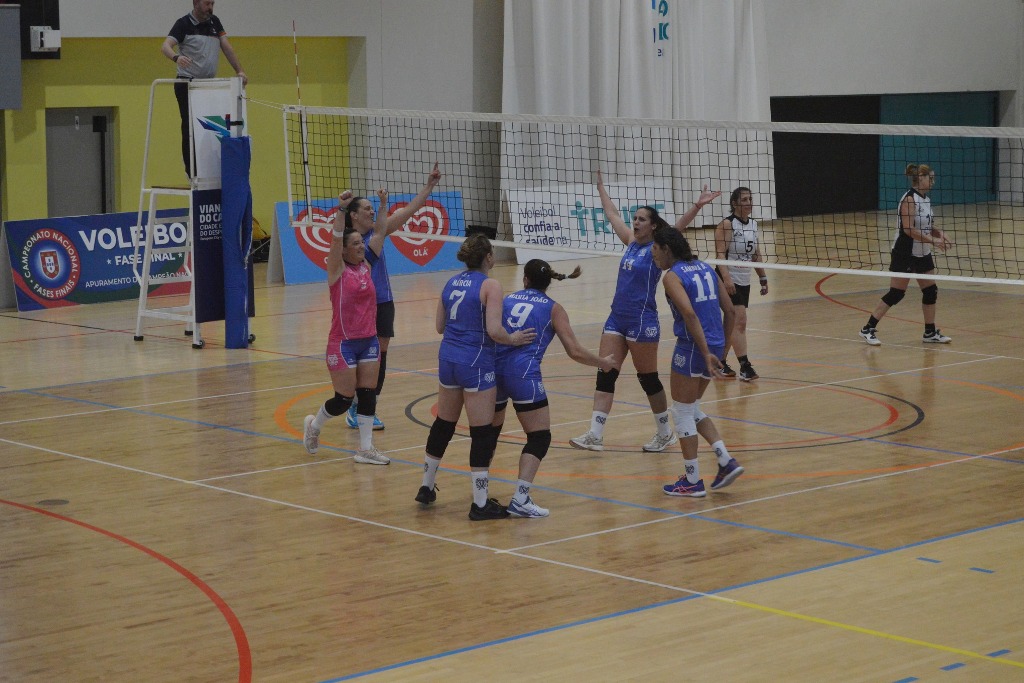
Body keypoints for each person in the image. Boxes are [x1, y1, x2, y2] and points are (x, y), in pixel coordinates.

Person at [570, 170, 720, 453]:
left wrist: (697, 206)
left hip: (642, 320)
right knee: (606, 372)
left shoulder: (657, 250)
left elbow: (677, 229)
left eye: (641, 219)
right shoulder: (629, 241)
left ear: (652, 227)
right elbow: (612, 213)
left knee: (647, 378)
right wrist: (601, 187)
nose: (635, 222)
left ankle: (665, 433)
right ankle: (595, 433)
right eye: (635, 218)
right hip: (617, 316)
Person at [416, 234, 536, 520]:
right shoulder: (491, 285)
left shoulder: (450, 282)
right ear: (488, 257)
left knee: (444, 423)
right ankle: (480, 504)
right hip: (475, 362)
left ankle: (426, 485)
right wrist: (514, 338)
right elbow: (495, 331)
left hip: (448, 359)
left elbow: (439, 326)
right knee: (481, 432)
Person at [490, 260, 621, 518]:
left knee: (488, 433)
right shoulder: (554, 309)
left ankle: (480, 496)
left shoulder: (506, 299)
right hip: (524, 375)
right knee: (539, 437)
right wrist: (603, 363)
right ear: (548, 282)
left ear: (525, 279)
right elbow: (574, 351)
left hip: (492, 371)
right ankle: (520, 498)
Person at [339, 163, 443, 431]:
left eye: (373, 208)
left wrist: (429, 185)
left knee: (380, 354)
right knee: (360, 354)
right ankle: (351, 403)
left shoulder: (378, 231)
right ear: (353, 216)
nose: (372, 211)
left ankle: (367, 407)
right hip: (357, 305)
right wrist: (342, 207)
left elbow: (410, 210)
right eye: (366, 209)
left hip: (383, 301)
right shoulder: (344, 240)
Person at [651, 227, 743, 498]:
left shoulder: (672, 277)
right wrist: (721, 351)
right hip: (713, 344)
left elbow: (690, 314)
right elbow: (730, 311)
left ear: (667, 249)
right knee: (692, 408)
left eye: (655, 248)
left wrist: (704, 352)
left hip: (693, 347)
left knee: (681, 412)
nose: (653, 254)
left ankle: (692, 481)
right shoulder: (706, 268)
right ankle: (725, 460)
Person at [301, 190, 390, 466]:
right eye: (355, 244)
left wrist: (384, 205)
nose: (361, 246)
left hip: (369, 340)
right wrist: (340, 211)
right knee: (343, 399)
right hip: (343, 342)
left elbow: (380, 232)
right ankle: (314, 426)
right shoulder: (337, 271)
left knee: (367, 394)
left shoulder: (366, 265)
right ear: (344, 250)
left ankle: (365, 449)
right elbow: (336, 238)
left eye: (361, 244)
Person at [859, 164, 954, 346]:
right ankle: (868, 328)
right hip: (905, 252)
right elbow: (909, 229)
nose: (932, 181)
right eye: (930, 178)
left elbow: (926, 226)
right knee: (897, 293)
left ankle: (929, 332)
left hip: (922, 252)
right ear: (920, 178)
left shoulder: (925, 199)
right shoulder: (910, 199)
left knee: (930, 291)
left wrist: (939, 233)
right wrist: (933, 241)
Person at [162, 0, 248, 176]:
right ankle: (191, 171)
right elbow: (165, 46)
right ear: (196, 3)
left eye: (212, 4)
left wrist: (239, 71)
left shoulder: (215, 22)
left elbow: (227, 47)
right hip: (187, 83)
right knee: (189, 126)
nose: (210, 7)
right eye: (207, 3)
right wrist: (176, 57)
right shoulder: (183, 23)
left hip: (207, 85)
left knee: (208, 125)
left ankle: (208, 167)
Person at [714, 186, 769, 381]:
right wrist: (727, 278)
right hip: (727, 278)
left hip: (744, 279)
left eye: (750, 199)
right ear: (734, 203)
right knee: (740, 320)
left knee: (731, 322)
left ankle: (719, 362)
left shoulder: (753, 224)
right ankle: (745, 366)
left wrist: (763, 277)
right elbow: (720, 254)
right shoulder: (727, 225)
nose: (748, 203)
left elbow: (756, 253)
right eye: (744, 200)